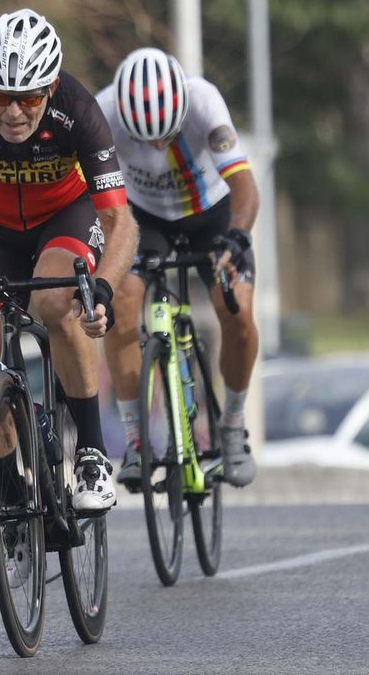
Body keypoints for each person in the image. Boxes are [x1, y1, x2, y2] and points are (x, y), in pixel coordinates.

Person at [0, 8, 137, 512]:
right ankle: (9, 497)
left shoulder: (79, 109)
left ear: (49, 90)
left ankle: (90, 452)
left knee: (53, 303)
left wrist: (104, 288)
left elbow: (121, 224)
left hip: (62, 219)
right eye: (1, 97)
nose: (13, 112)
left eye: (27, 98)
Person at [96, 47, 260, 490]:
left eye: (165, 136)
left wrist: (237, 237)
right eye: (143, 138)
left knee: (237, 311)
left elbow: (244, 186)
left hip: (211, 212)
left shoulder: (204, 100)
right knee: (120, 301)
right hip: (144, 219)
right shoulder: (103, 112)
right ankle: (135, 440)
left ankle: (232, 427)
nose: (154, 146)